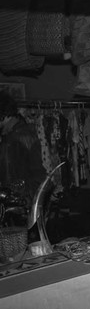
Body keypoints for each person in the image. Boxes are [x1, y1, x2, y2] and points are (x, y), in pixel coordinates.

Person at [0, 91, 46, 222]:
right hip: (23, 203)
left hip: (19, 206)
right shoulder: (17, 134)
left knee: (15, 241)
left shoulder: (14, 139)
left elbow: (10, 178)